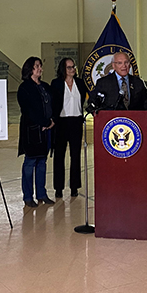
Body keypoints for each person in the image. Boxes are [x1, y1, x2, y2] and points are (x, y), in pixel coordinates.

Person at [17, 56, 55, 208]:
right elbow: (28, 110)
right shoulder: (24, 88)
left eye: (40, 66)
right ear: (30, 69)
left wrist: (51, 121)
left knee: (42, 162)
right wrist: (44, 122)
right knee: (30, 162)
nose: (40, 69)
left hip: (46, 131)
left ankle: (41, 194)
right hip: (32, 130)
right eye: (37, 66)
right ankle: (27, 196)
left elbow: (52, 104)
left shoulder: (45, 86)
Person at [89, 52, 147, 127]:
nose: (124, 66)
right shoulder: (103, 83)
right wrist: (95, 112)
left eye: (126, 62)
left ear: (130, 65)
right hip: (111, 125)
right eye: (119, 63)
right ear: (113, 66)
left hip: (135, 125)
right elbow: (93, 101)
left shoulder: (137, 82)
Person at [51, 58, 87, 198]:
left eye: (73, 66)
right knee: (59, 156)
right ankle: (58, 188)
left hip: (76, 121)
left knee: (75, 155)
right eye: (69, 67)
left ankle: (74, 187)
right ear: (63, 69)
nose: (72, 69)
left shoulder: (80, 83)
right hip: (61, 122)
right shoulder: (56, 83)